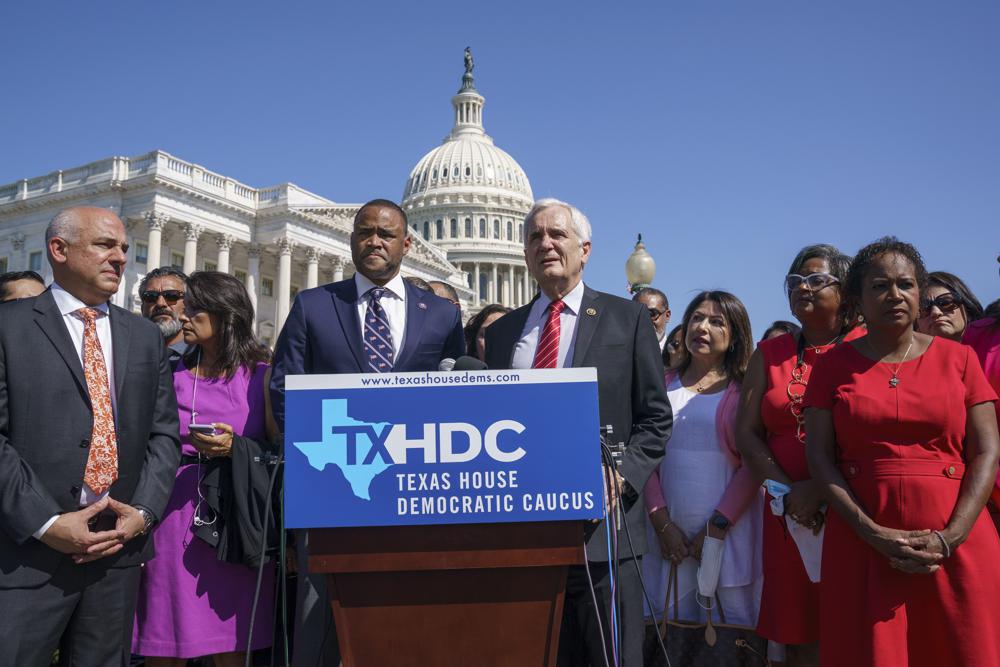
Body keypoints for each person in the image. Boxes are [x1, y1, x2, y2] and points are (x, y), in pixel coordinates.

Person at [270, 198, 465, 666]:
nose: (374, 241)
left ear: (406, 243)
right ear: (352, 238)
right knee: (319, 617)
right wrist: (335, 456)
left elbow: (461, 398)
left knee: (408, 614)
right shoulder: (314, 305)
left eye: (385, 233)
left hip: (415, 492)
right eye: (364, 232)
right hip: (333, 486)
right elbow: (284, 388)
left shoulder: (441, 314)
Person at [485, 198, 671, 666]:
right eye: (534, 237)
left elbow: (655, 419)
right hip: (525, 537)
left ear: (584, 250)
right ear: (524, 253)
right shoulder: (505, 333)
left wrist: (620, 477)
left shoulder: (626, 320)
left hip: (606, 535)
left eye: (557, 235)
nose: (545, 244)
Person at [804, 237, 1000, 666]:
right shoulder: (831, 367)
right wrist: (870, 531)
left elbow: (986, 451)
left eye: (906, 284)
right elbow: (819, 458)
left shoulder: (962, 360)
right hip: (862, 544)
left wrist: (950, 537)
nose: (895, 295)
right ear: (856, 298)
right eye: (880, 286)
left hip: (956, 543)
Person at [0, 206, 181, 666]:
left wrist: (142, 512)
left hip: (116, 552)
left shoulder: (143, 336)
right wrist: (47, 523)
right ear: (59, 250)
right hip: (27, 553)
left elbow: (163, 435)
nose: (120, 257)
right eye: (105, 245)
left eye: (123, 247)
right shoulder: (10, 326)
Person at [133, 271, 277, 666]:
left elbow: (280, 451)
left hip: (235, 525)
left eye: (194, 309)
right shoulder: (169, 373)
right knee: (164, 643)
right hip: (171, 518)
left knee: (232, 646)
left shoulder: (262, 375)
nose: (183, 316)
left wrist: (236, 447)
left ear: (225, 314)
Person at [736, 244, 861, 666]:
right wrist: (788, 494)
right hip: (787, 512)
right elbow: (748, 434)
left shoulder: (869, 346)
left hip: (854, 506)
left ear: (847, 291)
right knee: (800, 628)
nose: (802, 287)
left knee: (855, 622)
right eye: (794, 281)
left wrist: (823, 492)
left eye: (815, 279)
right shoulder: (770, 354)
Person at [643, 291, 763, 633]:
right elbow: (645, 456)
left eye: (716, 321)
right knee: (669, 635)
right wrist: (662, 523)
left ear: (735, 334)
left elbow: (752, 464)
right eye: (697, 318)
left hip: (729, 536)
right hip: (669, 540)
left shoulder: (746, 391)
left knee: (728, 638)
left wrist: (716, 528)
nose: (703, 327)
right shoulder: (661, 386)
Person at [915, 270, 984, 342]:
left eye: (946, 303)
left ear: (968, 311)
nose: (935, 312)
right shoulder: (904, 353)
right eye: (924, 307)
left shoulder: (992, 347)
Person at [139, 267, 189, 362]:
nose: (160, 303)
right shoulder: (127, 355)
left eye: (171, 296)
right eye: (151, 297)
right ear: (142, 309)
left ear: (188, 304)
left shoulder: (205, 357)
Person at [632, 287, 671, 363]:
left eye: (651, 314)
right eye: (637, 315)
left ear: (667, 316)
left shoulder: (677, 355)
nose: (645, 321)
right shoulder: (620, 354)